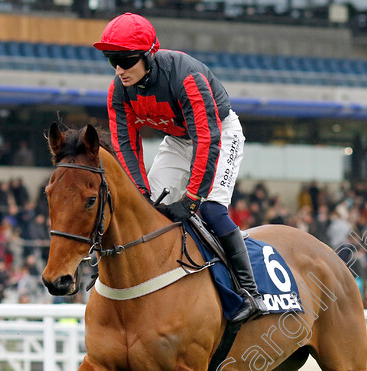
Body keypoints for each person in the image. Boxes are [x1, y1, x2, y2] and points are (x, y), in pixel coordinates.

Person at [94, 12, 267, 324]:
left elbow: (208, 139)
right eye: (112, 60)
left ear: (148, 54)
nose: (119, 69)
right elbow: (124, 146)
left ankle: (249, 292)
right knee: (149, 208)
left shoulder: (186, 76)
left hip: (220, 134)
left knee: (211, 210)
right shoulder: (118, 90)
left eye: (126, 59)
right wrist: (142, 191)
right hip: (177, 141)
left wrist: (190, 200)